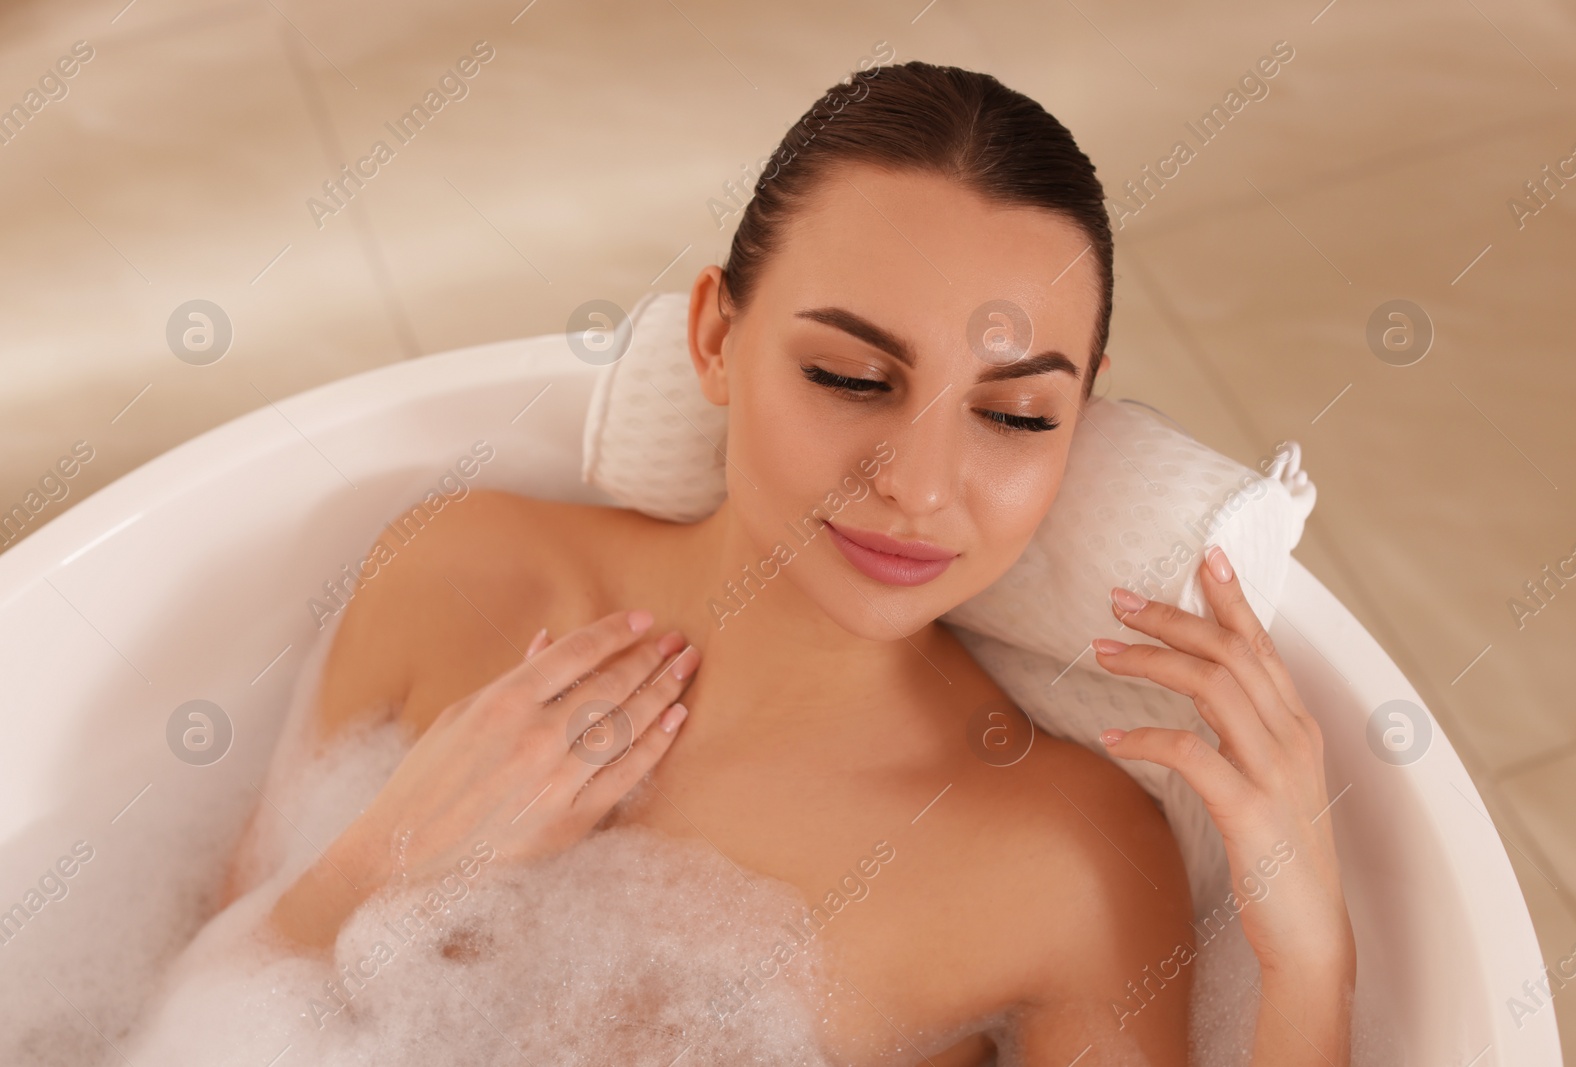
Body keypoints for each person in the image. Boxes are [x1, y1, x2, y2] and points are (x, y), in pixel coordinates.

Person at [221, 60, 1354, 1065]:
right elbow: (200, 999)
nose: (916, 484)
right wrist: (374, 870)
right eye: (853, 379)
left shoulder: (1063, 860)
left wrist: (1311, 965)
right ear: (716, 336)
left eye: (1013, 416)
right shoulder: (460, 572)